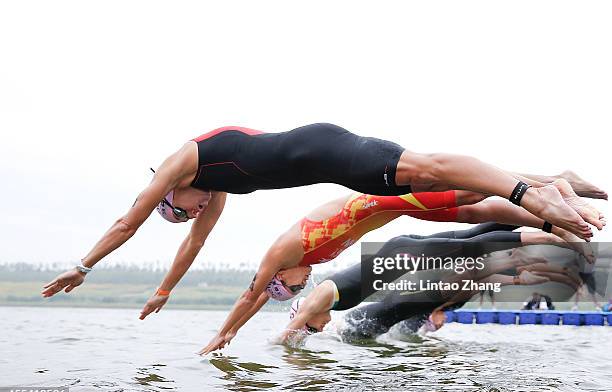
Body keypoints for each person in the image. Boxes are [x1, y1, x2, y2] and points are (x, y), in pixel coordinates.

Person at [42, 123, 605, 300]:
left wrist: (84, 265)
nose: (191, 216)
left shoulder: (183, 162)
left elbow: (126, 221)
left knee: (434, 171)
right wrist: (164, 290)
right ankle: (550, 183)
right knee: (442, 186)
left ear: (169, 193)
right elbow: (195, 247)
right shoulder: (216, 195)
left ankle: (532, 194)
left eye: (180, 213)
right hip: (339, 171)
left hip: (323, 146)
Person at [197, 187, 593, 354]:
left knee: (473, 243)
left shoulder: (318, 300)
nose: (316, 328)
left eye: (312, 326)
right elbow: (272, 296)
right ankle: (544, 218)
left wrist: (279, 337)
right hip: (399, 252)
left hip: (399, 255)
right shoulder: (329, 306)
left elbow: (274, 301)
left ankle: (554, 231)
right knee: (473, 236)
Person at [279, 227, 557, 345]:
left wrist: (278, 344)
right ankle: (531, 233)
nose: (323, 326)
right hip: (395, 307)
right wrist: (518, 279)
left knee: (468, 249)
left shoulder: (325, 306)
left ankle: (535, 234)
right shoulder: (334, 321)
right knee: (467, 252)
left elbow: (297, 321)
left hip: (398, 289)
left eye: (315, 326)